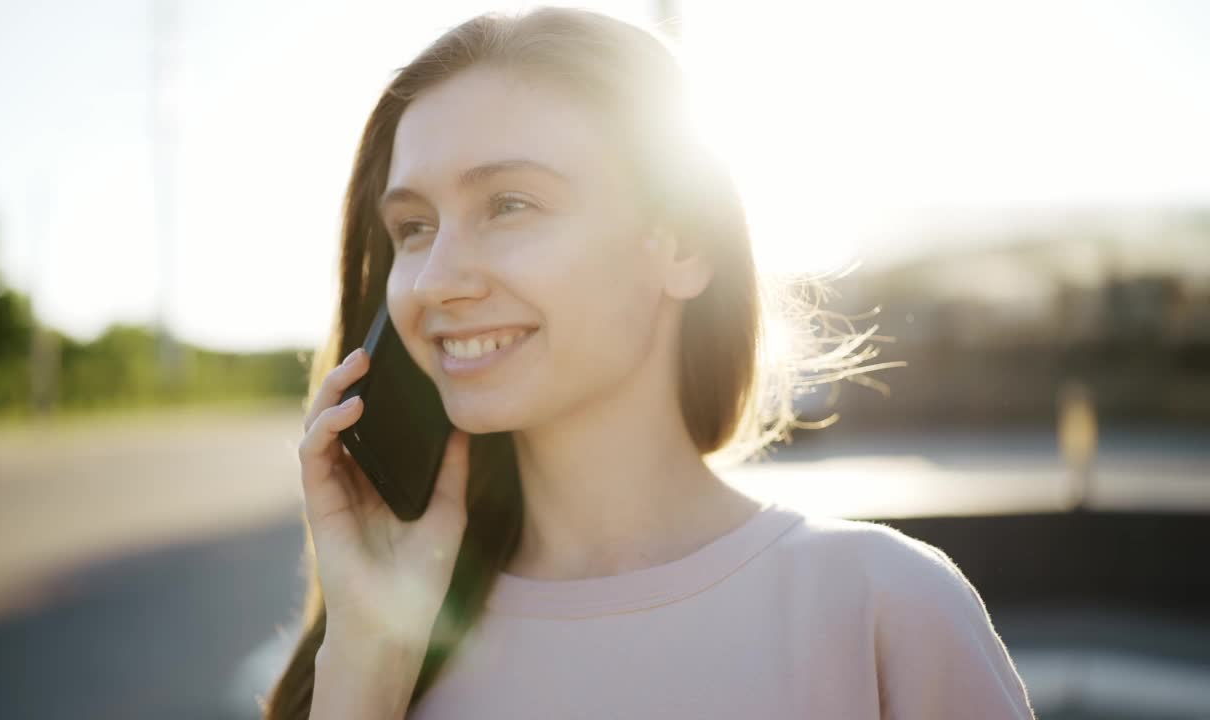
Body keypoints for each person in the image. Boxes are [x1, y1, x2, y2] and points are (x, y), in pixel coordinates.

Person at [267, 7, 1035, 719]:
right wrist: (366, 658)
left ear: (683, 244)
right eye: (412, 226)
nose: (435, 279)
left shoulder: (886, 612)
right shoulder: (377, 648)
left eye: (509, 204)